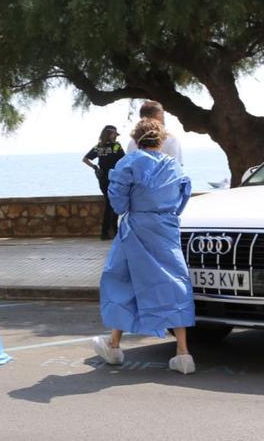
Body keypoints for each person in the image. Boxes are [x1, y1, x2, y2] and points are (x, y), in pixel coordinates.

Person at [94, 118, 196, 374]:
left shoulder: (128, 162)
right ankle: (183, 353)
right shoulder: (173, 165)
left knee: (121, 280)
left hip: (137, 229)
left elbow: (118, 203)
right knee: (173, 283)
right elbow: (183, 195)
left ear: (136, 139)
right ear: (162, 140)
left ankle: (114, 345)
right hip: (166, 229)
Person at [82, 125, 125, 240]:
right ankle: (112, 231)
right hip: (114, 178)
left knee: (109, 204)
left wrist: (95, 167)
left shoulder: (98, 147)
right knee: (113, 204)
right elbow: (125, 160)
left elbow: (85, 159)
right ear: (111, 134)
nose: (115, 137)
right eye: (114, 134)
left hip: (103, 179)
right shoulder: (116, 146)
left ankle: (106, 232)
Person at [126, 101, 183, 165]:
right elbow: (176, 169)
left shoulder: (132, 142)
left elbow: (127, 169)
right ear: (159, 116)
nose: (164, 120)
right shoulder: (172, 140)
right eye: (162, 116)